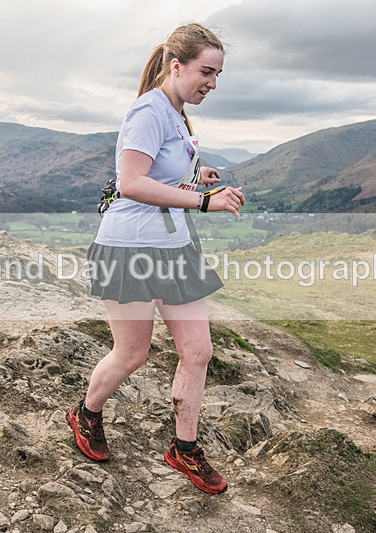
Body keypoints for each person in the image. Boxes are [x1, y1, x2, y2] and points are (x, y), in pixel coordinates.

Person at [66, 22, 244, 495]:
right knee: (133, 352)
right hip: (128, 248)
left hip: (173, 247)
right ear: (176, 65)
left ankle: (184, 449)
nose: (212, 82)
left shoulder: (176, 111)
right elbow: (132, 183)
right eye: (206, 71)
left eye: (218, 74)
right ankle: (86, 413)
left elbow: (163, 174)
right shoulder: (148, 111)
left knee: (198, 351)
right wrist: (206, 202)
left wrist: (195, 176)